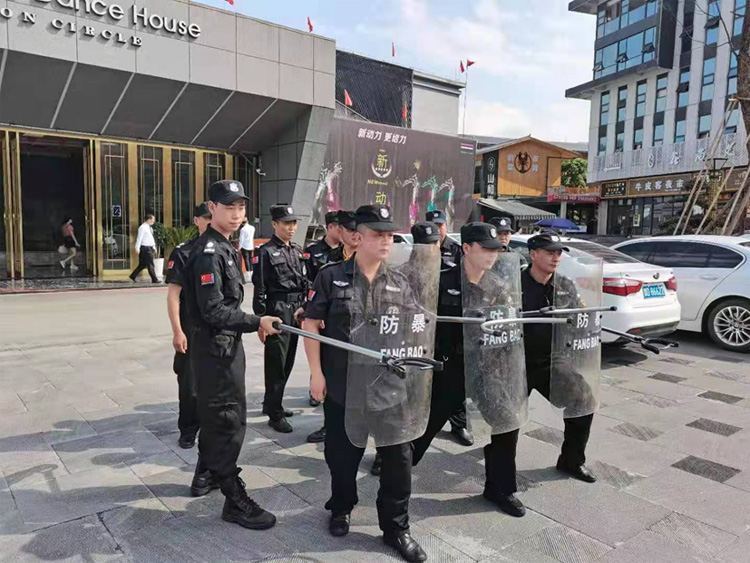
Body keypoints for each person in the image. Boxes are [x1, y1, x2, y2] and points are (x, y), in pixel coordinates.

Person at [303, 204, 428, 563]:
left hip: (390, 388)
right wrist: (316, 373)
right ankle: (342, 507)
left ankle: (396, 528)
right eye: (378, 234)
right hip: (345, 386)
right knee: (342, 457)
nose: (386, 241)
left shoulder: (400, 282)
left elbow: (414, 329)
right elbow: (311, 324)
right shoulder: (331, 277)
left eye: (390, 235)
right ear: (358, 238)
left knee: (398, 461)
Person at [182, 179, 282, 530]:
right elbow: (213, 311)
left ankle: (207, 473)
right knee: (228, 420)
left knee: (222, 417)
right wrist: (256, 321)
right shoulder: (208, 252)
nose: (237, 213)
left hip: (225, 346)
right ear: (212, 208)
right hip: (215, 351)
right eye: (229, 207)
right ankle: (233, 498)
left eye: (241, 207)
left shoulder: (225, 246)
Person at [487, 232, 598, 517]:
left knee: (584, 400)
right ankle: (499, 488)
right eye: (549, 252)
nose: (556, 257)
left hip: (550, 360)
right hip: (514, 360)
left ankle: (571, 460)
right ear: (533, 254)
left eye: (559, 252)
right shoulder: (511, 284)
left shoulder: (564, 285)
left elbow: (579, 318)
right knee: (507, 420)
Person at [252, 204, 308, 433]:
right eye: (286, 223)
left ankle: (272, 403)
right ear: (274, 224)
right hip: (277, 310)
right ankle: (274, 415)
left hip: (295, 310)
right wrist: (261, 320)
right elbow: (259, 288)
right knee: (276, 363)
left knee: (288, 361)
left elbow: (304, 281)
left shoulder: (296, 250)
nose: (291, 228)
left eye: (293, 223)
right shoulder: (265, 252)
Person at [305, 210, 359, 444]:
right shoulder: (331, 262)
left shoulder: (377, 265)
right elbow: (313, 287)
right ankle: (331, 426)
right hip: (332, 331)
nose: (356, 235)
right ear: (340, 231)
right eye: (350, 230)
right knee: (334, 389)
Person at [166, 203, 212, 455]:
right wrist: (177, 331)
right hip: (191, 327)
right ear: (196, 221)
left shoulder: (224, 250)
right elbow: (173, 295)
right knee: (189, 382)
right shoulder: (184, 252)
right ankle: (188, 428)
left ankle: (211, 425)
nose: (210, 221)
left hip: (217, 328)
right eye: (206, 218)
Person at [424, 209, 473, 448]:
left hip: (452, 322)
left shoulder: (457, 249)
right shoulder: (420, 245)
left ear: (446, 226)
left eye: (440, 225)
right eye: (433, 226)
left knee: (456, 380)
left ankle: (458, 424)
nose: (437, 230)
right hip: (427, 322)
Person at [305, 211, 341, 284]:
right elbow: (307, 278)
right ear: (330, 227)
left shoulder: (347, 251)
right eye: (340, 228)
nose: (344, 231)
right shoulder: (312, 250)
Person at [130, 213, 160, 283]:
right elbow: (139, 238)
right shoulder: (142, 227)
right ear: (149, 219)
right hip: (145, 248)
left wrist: (154, 247)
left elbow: (151, 239)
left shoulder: (149, 228)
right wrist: (137, 248)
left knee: (143, 264)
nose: (153, 221)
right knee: (150, 264)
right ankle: (154, 279)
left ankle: (133, 275)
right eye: (153, 219)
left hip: (150, 247)